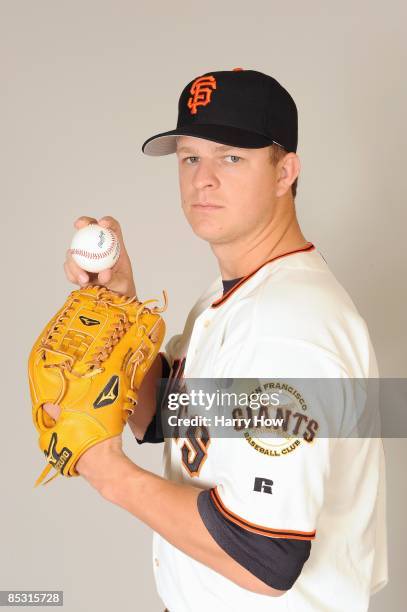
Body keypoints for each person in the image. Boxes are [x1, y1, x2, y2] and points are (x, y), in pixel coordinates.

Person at [46, 69, 388, 611]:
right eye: (189, 157)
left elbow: (264, 554)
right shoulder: (230, 299)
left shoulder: (290, 325)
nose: (202, 179)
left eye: (231, 156)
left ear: (285, 172)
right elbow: (168, 421)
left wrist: (106, 472)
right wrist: (120, 310)